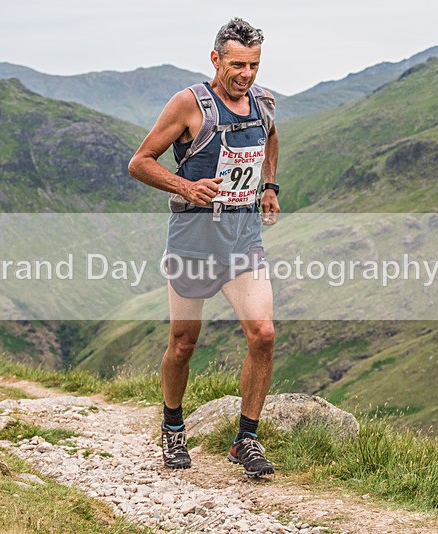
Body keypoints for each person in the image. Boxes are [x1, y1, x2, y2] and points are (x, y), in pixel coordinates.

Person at [128, 17, 280, 477]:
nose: (246, 75)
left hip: (242, 238)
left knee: (264, 335)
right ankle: (173, 428)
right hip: (194, 240)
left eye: (253, 65)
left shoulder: (264, 103)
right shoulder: (189, 104)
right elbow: (140, 163)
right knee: (183, 343)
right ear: (215, 59)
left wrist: (270, 186)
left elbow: (269, 139)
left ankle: (246, 440)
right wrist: (186, 186)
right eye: (237, 65)